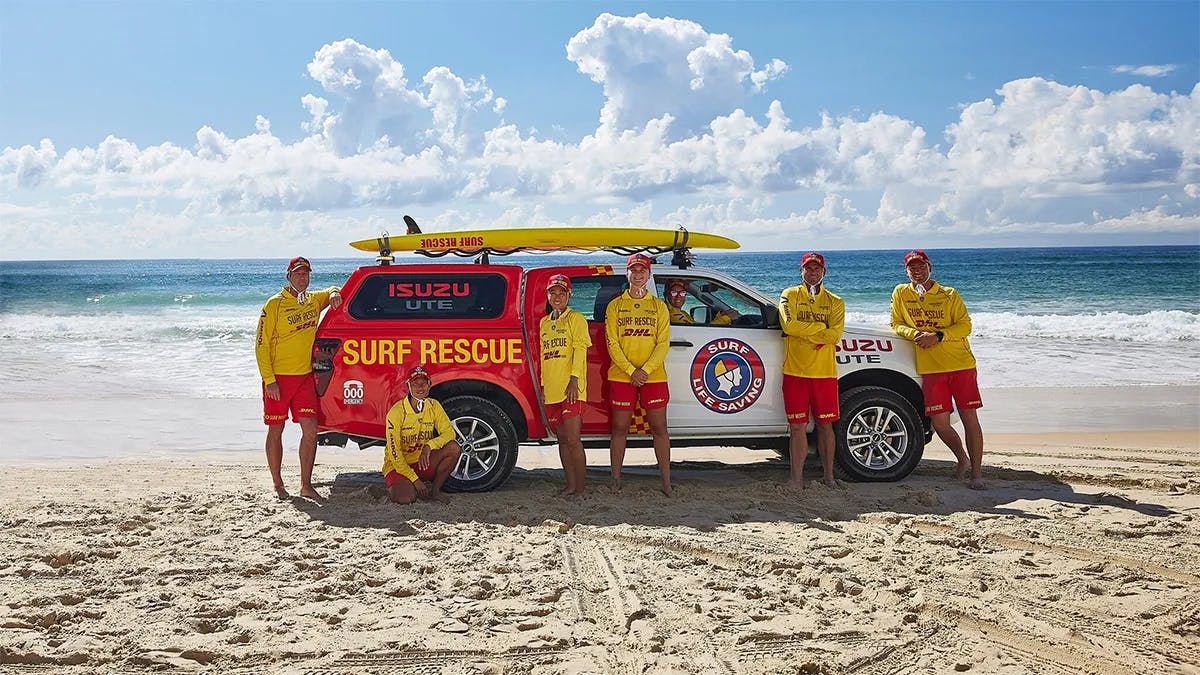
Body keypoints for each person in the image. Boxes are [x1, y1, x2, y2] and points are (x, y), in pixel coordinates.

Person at [890, 249, 985, 489]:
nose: (917, 270)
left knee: (969, 419)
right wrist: (915, 334)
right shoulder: (901, 292)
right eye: (912, 267)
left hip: (961, 365)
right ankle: (962, 459)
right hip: (930, 369)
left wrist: (939, 335)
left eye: (921, 266)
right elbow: (896, 323)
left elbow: (965, 326)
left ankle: (976, 474)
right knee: (940, 423)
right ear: (906, 270)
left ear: (930, 267)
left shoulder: (948, 294)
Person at [255, 256, 342, 499]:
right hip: (279, 380)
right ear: (289, 276)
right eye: (298, 274)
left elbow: (334, 290)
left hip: (304, 378)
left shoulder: (314, 300)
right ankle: (278, 484)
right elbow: (260, 345)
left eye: (306, 274)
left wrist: (335, 293)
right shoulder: (274, 304)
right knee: (276, 429)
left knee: (311, 431)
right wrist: (269, 379)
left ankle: (306, 485)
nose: (303, 278)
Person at [605, 253, 673, 495]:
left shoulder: (659, 307)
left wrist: (644, 370)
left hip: (653, 376)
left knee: (659, 429)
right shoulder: (615, 306)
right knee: (619, 428)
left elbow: (663, 343)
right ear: (627, 273)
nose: (637, 274)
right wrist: (632, 370)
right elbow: (612, 343)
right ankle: (615, 479)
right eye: (633, 270)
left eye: (641, 270)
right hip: (621, 375)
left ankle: (666, 481)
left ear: (648, 274)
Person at [778, 252, 845, 489]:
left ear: (824, 272)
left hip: (824, 373)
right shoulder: (790, 295)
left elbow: (835, 335)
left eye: (817, 269)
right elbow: (788, 325)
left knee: (826, 425)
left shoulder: (836, 301)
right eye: (808, 268)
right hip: (795, 371)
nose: (813, 272)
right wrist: (819, 328)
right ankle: (795, 479)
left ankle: (829, 476)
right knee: (797, 427)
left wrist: (803, 331)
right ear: (801, 271)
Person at [539, 274, 592, 497]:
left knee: (572, 440)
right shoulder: (544, 322)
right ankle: (569, 485)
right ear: (548, 295)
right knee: (561, 440)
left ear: (569, 295)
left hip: (571, 389)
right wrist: (542, 387)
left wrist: (574, 379)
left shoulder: (576, 319)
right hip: (551, 389)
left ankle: (580, 488)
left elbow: (581, 350)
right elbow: (543, 357)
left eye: (562, 292)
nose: (557, 296)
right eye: (553, 292)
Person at [382, 365, 464, 504]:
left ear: (430, 384)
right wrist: (415, 481)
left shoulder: (434, 405)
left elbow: (449, 433)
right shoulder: (396, 412)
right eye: (415, 383)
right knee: (406, 499)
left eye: (424, 383)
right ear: (408, 386)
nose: (420, 387)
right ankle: (403, 487)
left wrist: (429, 446)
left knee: (454, 448)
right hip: (399, 468)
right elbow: (395, 454)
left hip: (422, 462)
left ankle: (435, 491)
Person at [665, 280, 738, 325]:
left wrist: (721, 315)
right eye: (674, 292)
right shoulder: (672, 315)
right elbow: (697, 332)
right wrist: (726, 318)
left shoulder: (681, 313)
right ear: (666, 294)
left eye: (682, 293)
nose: (678, 296)